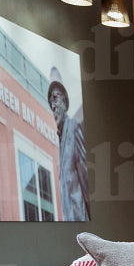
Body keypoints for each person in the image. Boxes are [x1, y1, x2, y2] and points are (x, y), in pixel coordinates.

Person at [47, 68, 89, 222]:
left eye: (55, 98)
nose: (53, 106)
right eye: (51, 101)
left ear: (64, 101)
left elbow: (85, 181)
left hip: (81, 222)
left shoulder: (73, 128)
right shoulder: (60, 141)